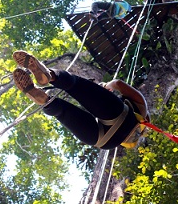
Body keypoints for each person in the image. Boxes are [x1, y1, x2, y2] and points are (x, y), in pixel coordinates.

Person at [12, 50, 149, 149]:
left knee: (74, 84)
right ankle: (42, 97)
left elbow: (118, 83)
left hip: (118, 114)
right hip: (103, 141)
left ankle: (50, 76)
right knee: (61, 111)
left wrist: (107, 86)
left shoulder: (142, 108)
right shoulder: (126, 133)